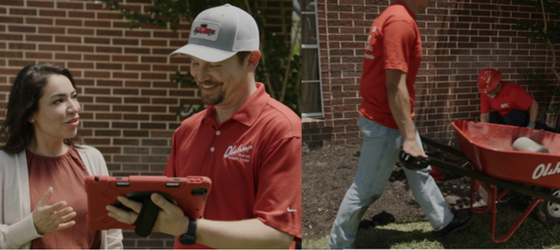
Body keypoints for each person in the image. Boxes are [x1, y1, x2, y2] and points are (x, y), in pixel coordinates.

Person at [105, 4, 302, 248]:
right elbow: (171, 209)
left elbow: (278, 236)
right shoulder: (187, 130)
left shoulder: (282, 129)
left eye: (215, 63)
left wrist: (188, 228)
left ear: (251, 60)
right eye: (195, 62)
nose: (201, 75)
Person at [326, 0, 473, 248]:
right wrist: (407, 137)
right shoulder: (401, 22)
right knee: (366, 189)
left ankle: (444, 222)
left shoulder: (393, 16)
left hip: (393, 116)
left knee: (419, 172)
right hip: (386, 120)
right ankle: (337, 245)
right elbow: (394, 85)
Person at [0, 63, 123, 249]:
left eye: (74, 97)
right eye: (58, 101)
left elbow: (112, 236)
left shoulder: (93, 159)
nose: (74, 108)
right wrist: (32, 227)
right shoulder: (0, 167)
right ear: (30, 114)